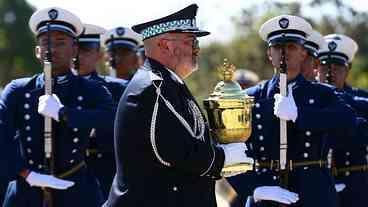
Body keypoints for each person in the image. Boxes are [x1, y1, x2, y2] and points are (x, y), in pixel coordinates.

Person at [104, 4, 253, 207]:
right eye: (191, 41)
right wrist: (221, 158)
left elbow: (189, 138)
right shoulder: (152, 88)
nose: (197, 48)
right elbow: (174, 149)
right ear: (166, 45)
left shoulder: (167, 83)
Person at [229, 15, 357, 207]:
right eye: (278, 47)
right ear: (269, 54)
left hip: (313, 193)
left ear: (303, 53)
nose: (284, 53)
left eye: (291, 47)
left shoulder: (323, 94)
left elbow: (349, 121)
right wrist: (253, 187)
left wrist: (300, 115)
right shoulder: (250, 97)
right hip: (266, 194)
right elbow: (226, 148)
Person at [1, 7, 115, 207]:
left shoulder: (91, 89)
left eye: (61, 43)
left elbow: (113, 119)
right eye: (46, 43)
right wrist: (27, 174)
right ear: (37, 51)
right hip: (25, 190)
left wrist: (64, 113)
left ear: (75, 49)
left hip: (76, 188)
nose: (52, 49)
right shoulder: (17, 90)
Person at [77, 23, 128, 199]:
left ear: (100, 54)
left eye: (85, 50)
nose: (78, 56)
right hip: (70, 174)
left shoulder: (119, 89)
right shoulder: (54, 90)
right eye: (75, 49)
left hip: (109, 172)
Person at [317, 34, 368, 207]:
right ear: (316, 68)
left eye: (338, 67)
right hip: (319, 185)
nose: (330, 72)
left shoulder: (360, 99)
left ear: (348, 69)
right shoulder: (307, 99)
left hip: (357, 185)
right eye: (324, 67)